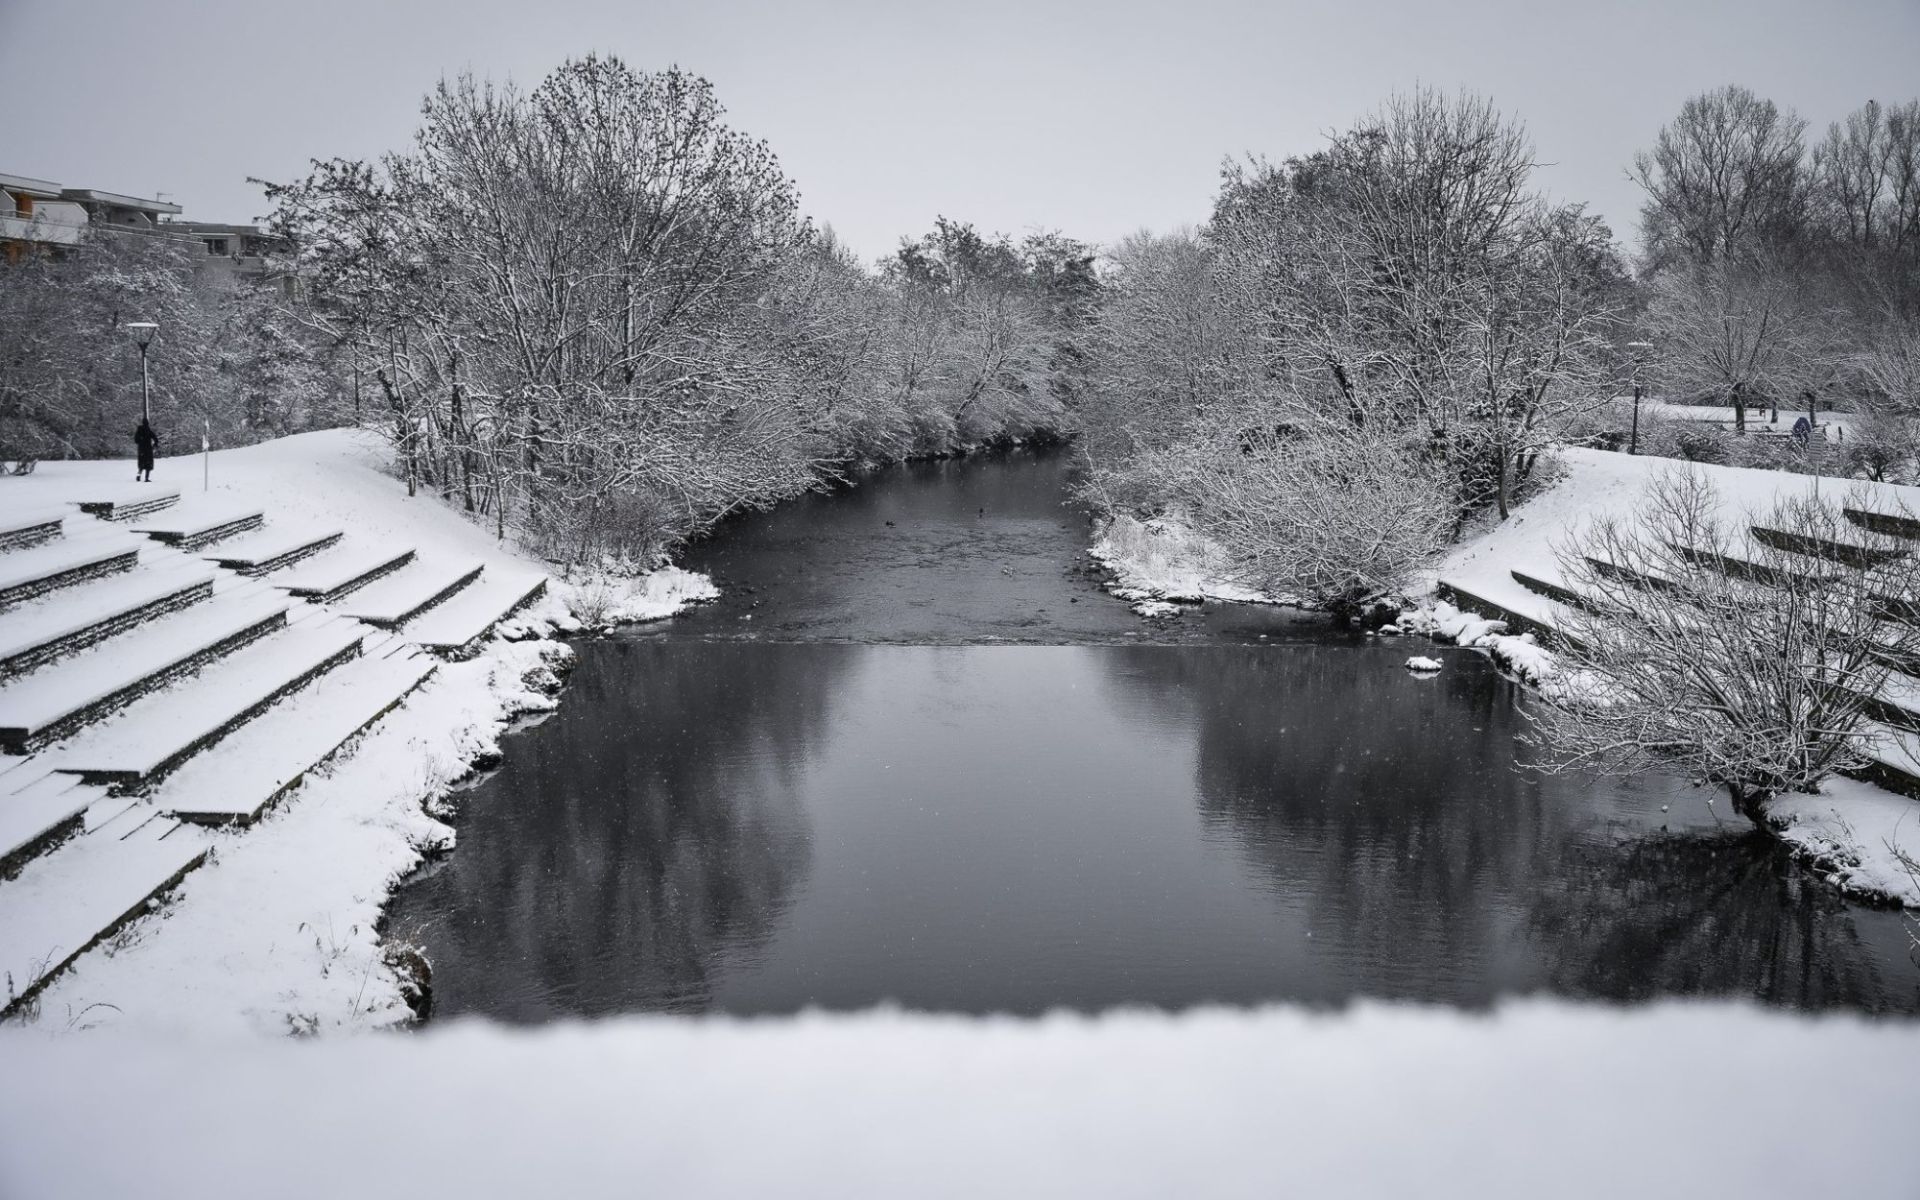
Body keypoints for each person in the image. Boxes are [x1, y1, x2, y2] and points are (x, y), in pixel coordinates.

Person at [134, 418, 159, 482]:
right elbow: (155, 438)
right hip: (148, 450)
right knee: (148, 465)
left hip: (141, 449)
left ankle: (138, 475)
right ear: (147, 423)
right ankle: (146, 478)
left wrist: (141, 441)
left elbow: (136, 440)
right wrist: (155, 445)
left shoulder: (139, 430)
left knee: (141, 464)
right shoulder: (148, 430)